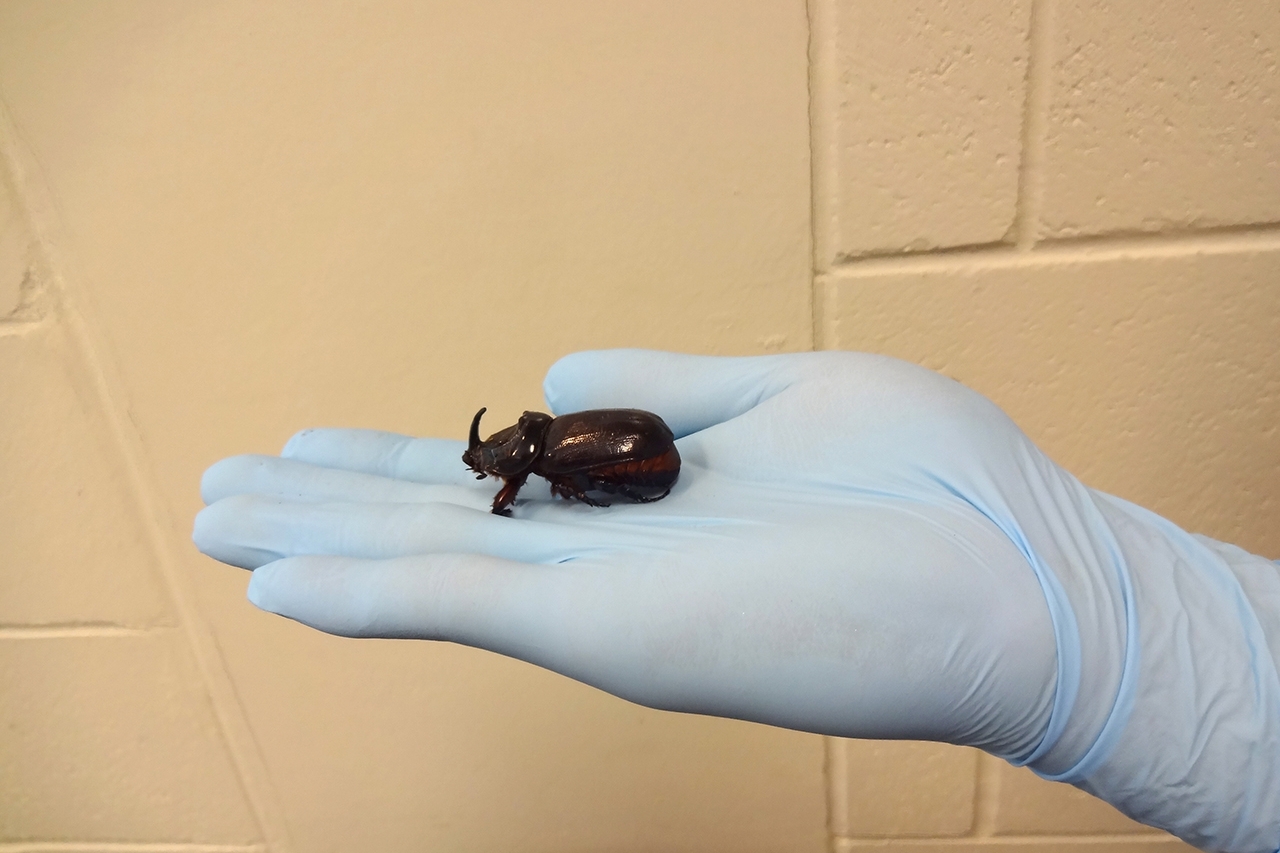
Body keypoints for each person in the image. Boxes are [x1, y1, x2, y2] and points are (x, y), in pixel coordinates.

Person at [194, 349, 1280, 853]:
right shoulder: (538, 453)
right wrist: (1174, 650)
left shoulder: (547, 461)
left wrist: (1141, 653)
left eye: (496, 464)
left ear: (515, 459)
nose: (493, 470)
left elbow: (608, 464)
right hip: (636, 463)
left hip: (642, 467)